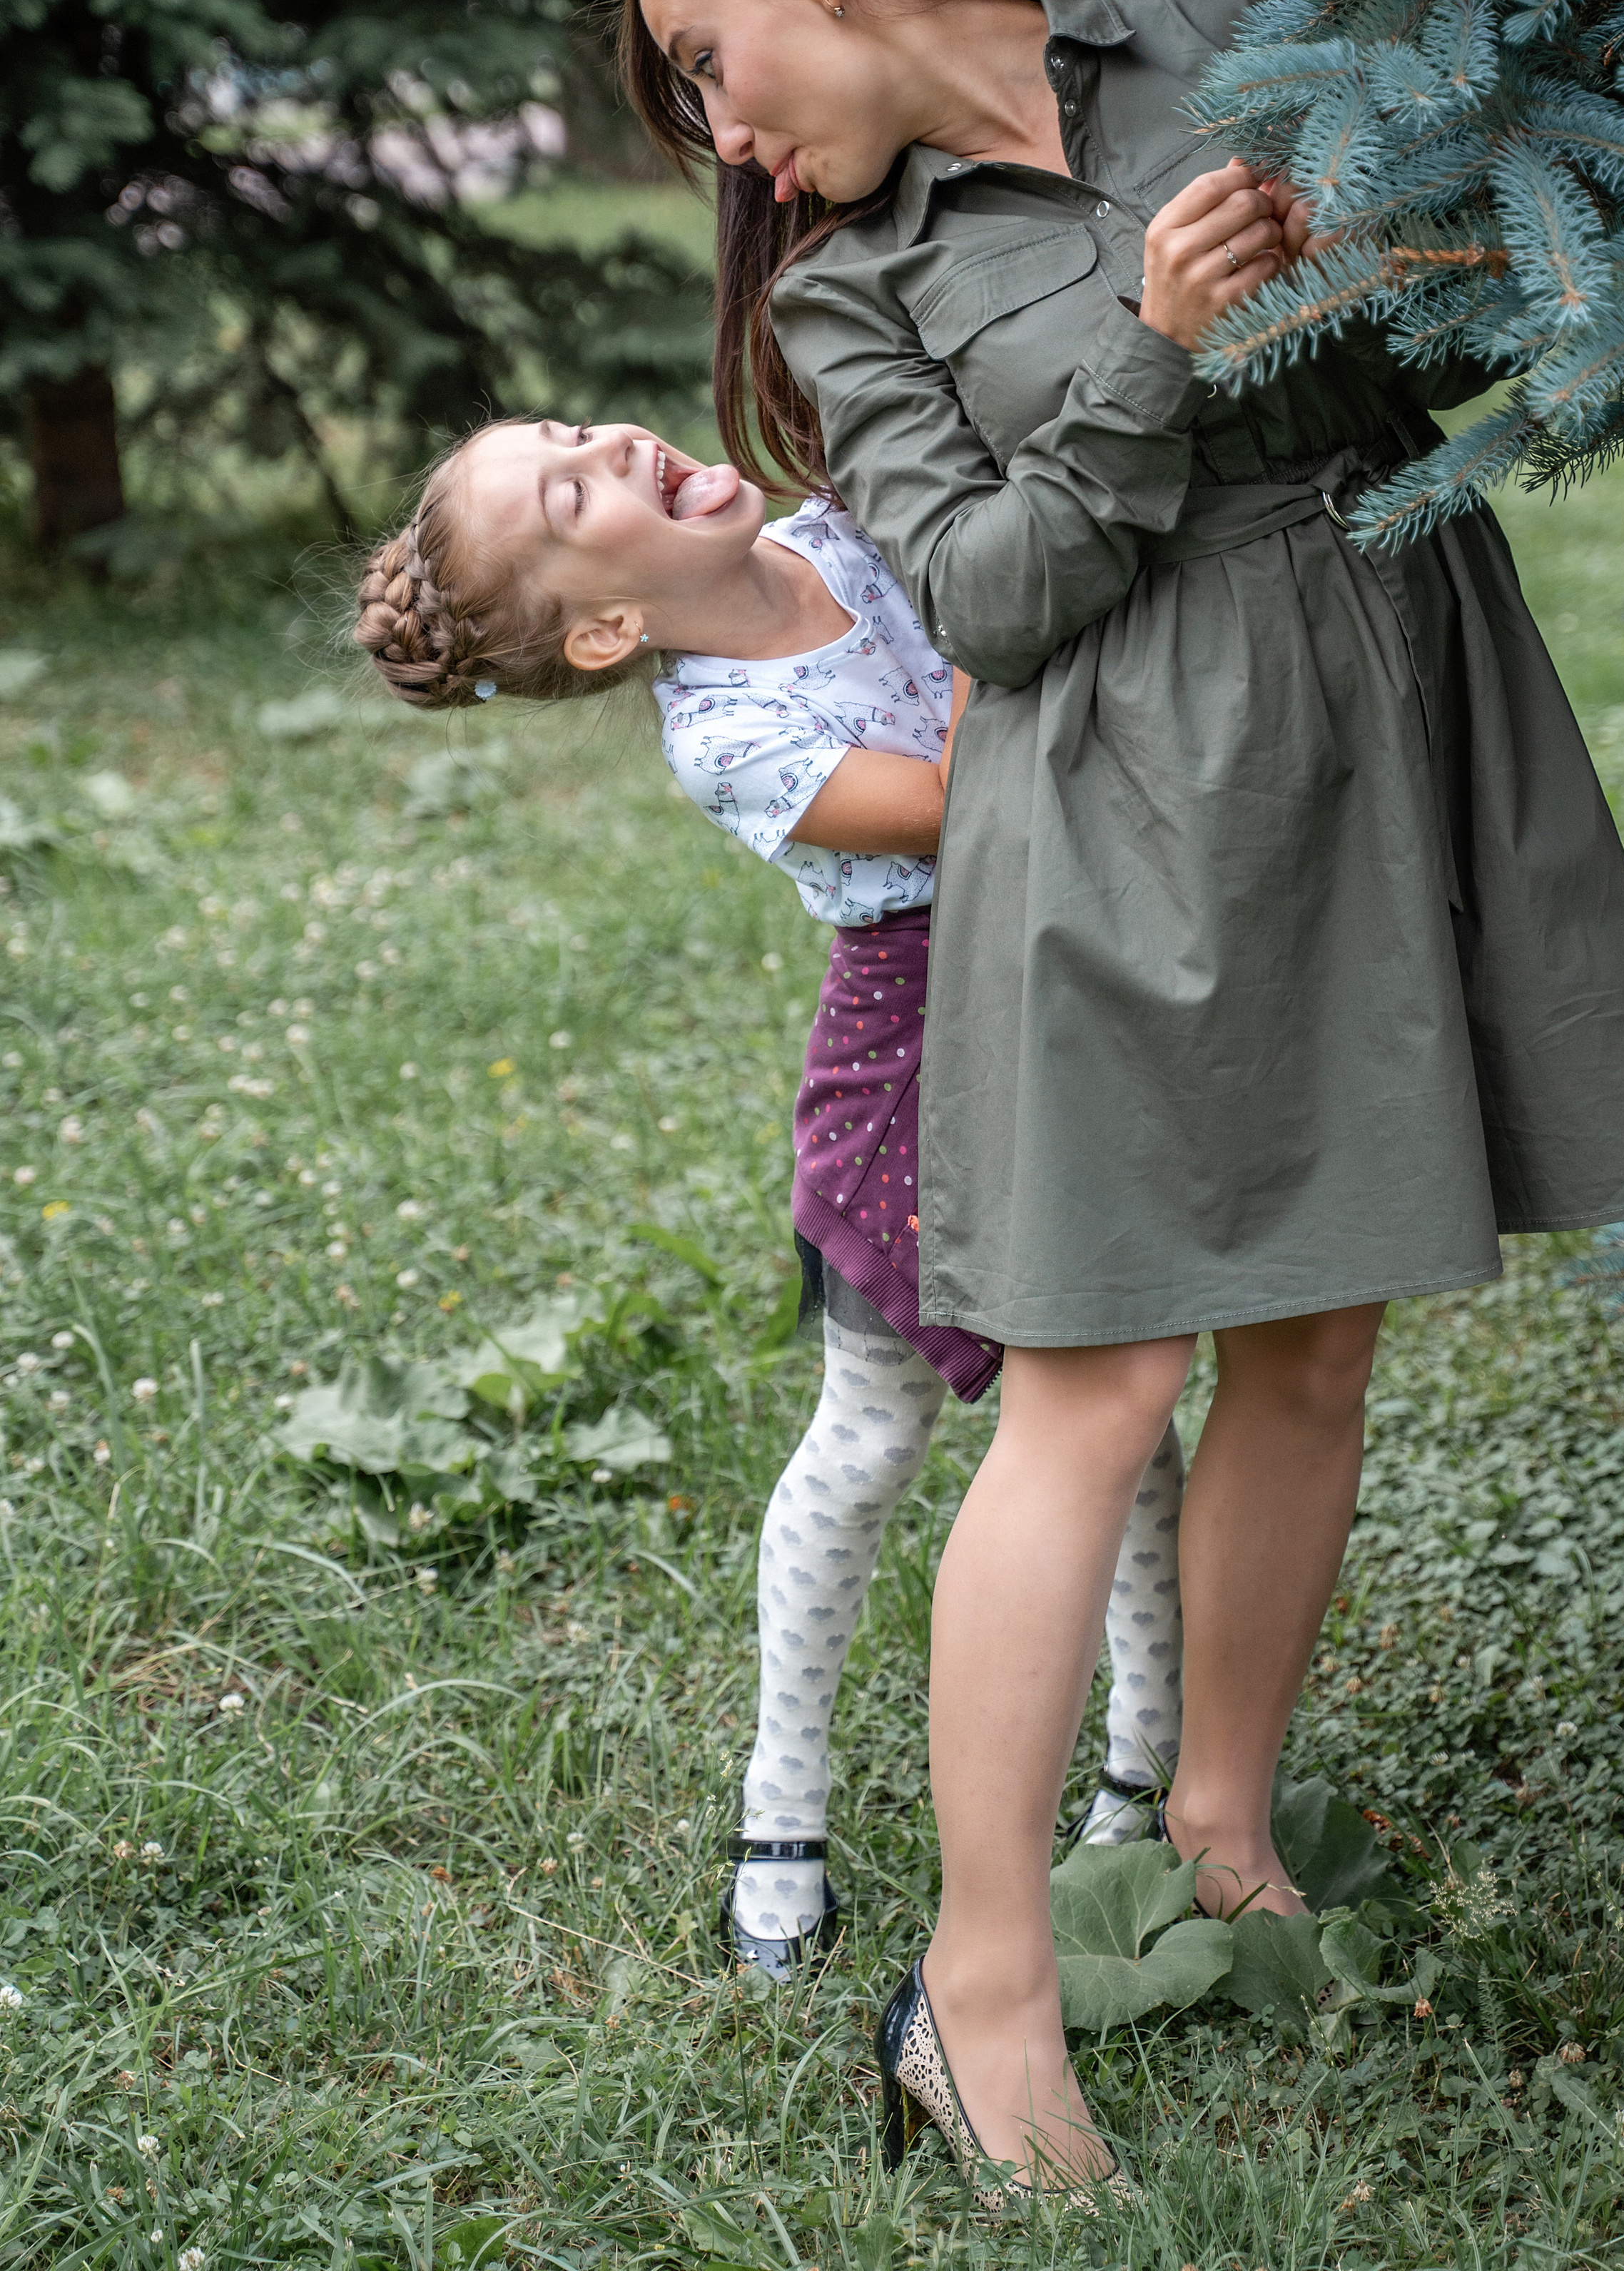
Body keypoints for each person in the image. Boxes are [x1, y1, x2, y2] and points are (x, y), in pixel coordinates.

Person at [609, 0, 1624, 2203]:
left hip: (1399, 676)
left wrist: (1371, 264)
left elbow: (1496, 293)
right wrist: (1153, 341)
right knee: (1099, 1381)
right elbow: (996, 601)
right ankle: (983, 1984)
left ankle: (1219, 1828)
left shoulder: (1224, 18)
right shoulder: (848, 287)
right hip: (1120, 787)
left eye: (705, 58)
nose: (724, 129)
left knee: (1319, 1336)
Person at [347, 413, 1187, 1983]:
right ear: (606, 631)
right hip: (917, 1053)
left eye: (576, 427)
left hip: (1073, 999)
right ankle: (777, 1803)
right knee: (869, 1437)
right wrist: (993, 601)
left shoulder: (852, 528)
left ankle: (1144, 1763)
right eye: (572, 488)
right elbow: (964, 797)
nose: (610, 441)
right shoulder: (724, 735)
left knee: (1114, 1407)